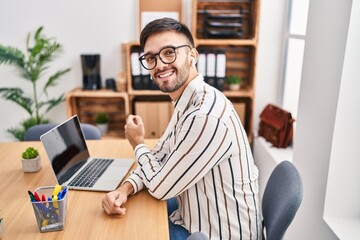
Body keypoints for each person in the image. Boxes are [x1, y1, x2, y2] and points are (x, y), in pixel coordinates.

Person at [102, 17, 262, 240]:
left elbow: (160, 188)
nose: (159, 65)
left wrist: (138, 143)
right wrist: (124, 189)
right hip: (191, 216)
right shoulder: (187, 102)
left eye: (169, 52)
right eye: (151, 58)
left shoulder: (206, 117)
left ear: (192, 56)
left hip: (217, 233)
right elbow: (159, 156)